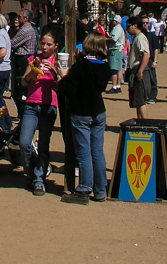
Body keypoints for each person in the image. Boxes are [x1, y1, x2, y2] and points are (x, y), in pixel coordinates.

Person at [59, 32, 111, 204]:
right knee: (97, 151)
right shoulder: (104, 66)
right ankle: (100, 189)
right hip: (98, 111)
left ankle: (84, 188)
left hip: (81, 111)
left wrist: (63, 76)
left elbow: (69, 89)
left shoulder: (81, 65)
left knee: (83, 153)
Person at [19, 29, 65, 196]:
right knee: (24, 142)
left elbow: (61, 86)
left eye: (49, 44)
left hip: (49, 105)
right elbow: (24, 81)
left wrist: (53, 71)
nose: (44, 47)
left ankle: (39, 179)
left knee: (44, 143)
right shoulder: (34, 59)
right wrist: (33, 71)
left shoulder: (58, 61)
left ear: (55, 46)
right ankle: (31, 170)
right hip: (31, 103)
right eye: (43, 44)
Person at [11, 9, 37, 117]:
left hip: (23, 60)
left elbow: (12, 44)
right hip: (23, 59)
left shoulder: (25, 30)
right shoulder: (26, 29)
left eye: (20, 16)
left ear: (26, 18)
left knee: (21, 88)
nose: (18, 18)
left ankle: (23, 114)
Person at [126, 17, 151, 119]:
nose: (127, 29)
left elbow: (146, 55)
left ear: (135, 26)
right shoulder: (136, 38)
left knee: (140, 101)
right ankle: (139, 121)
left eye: (129, 26)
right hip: (134, 70)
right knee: (137, 100)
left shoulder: (140, 38)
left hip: (138, 70)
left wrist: (140, 71)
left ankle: (144, 123)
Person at [141, 15, 160, 104]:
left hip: (150, 59)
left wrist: (155, 61)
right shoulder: (139, 35)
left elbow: (156, 48)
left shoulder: (152, 35)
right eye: (143, 23)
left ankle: (153, 96)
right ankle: (143, 95)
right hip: (141, 59)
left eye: (147, 23)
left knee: (152, 78)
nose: (145, 24)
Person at [107, 15, 125, 94]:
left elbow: (114, 39)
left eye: (113, 21)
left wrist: (105, 39)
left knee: (114, 68)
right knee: (118, 68)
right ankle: (118, 85)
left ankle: (115, 86)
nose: (112, 22)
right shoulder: (119, 29)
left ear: (116, 21)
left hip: (115, 49)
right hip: (118, 49)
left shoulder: (117, 29)